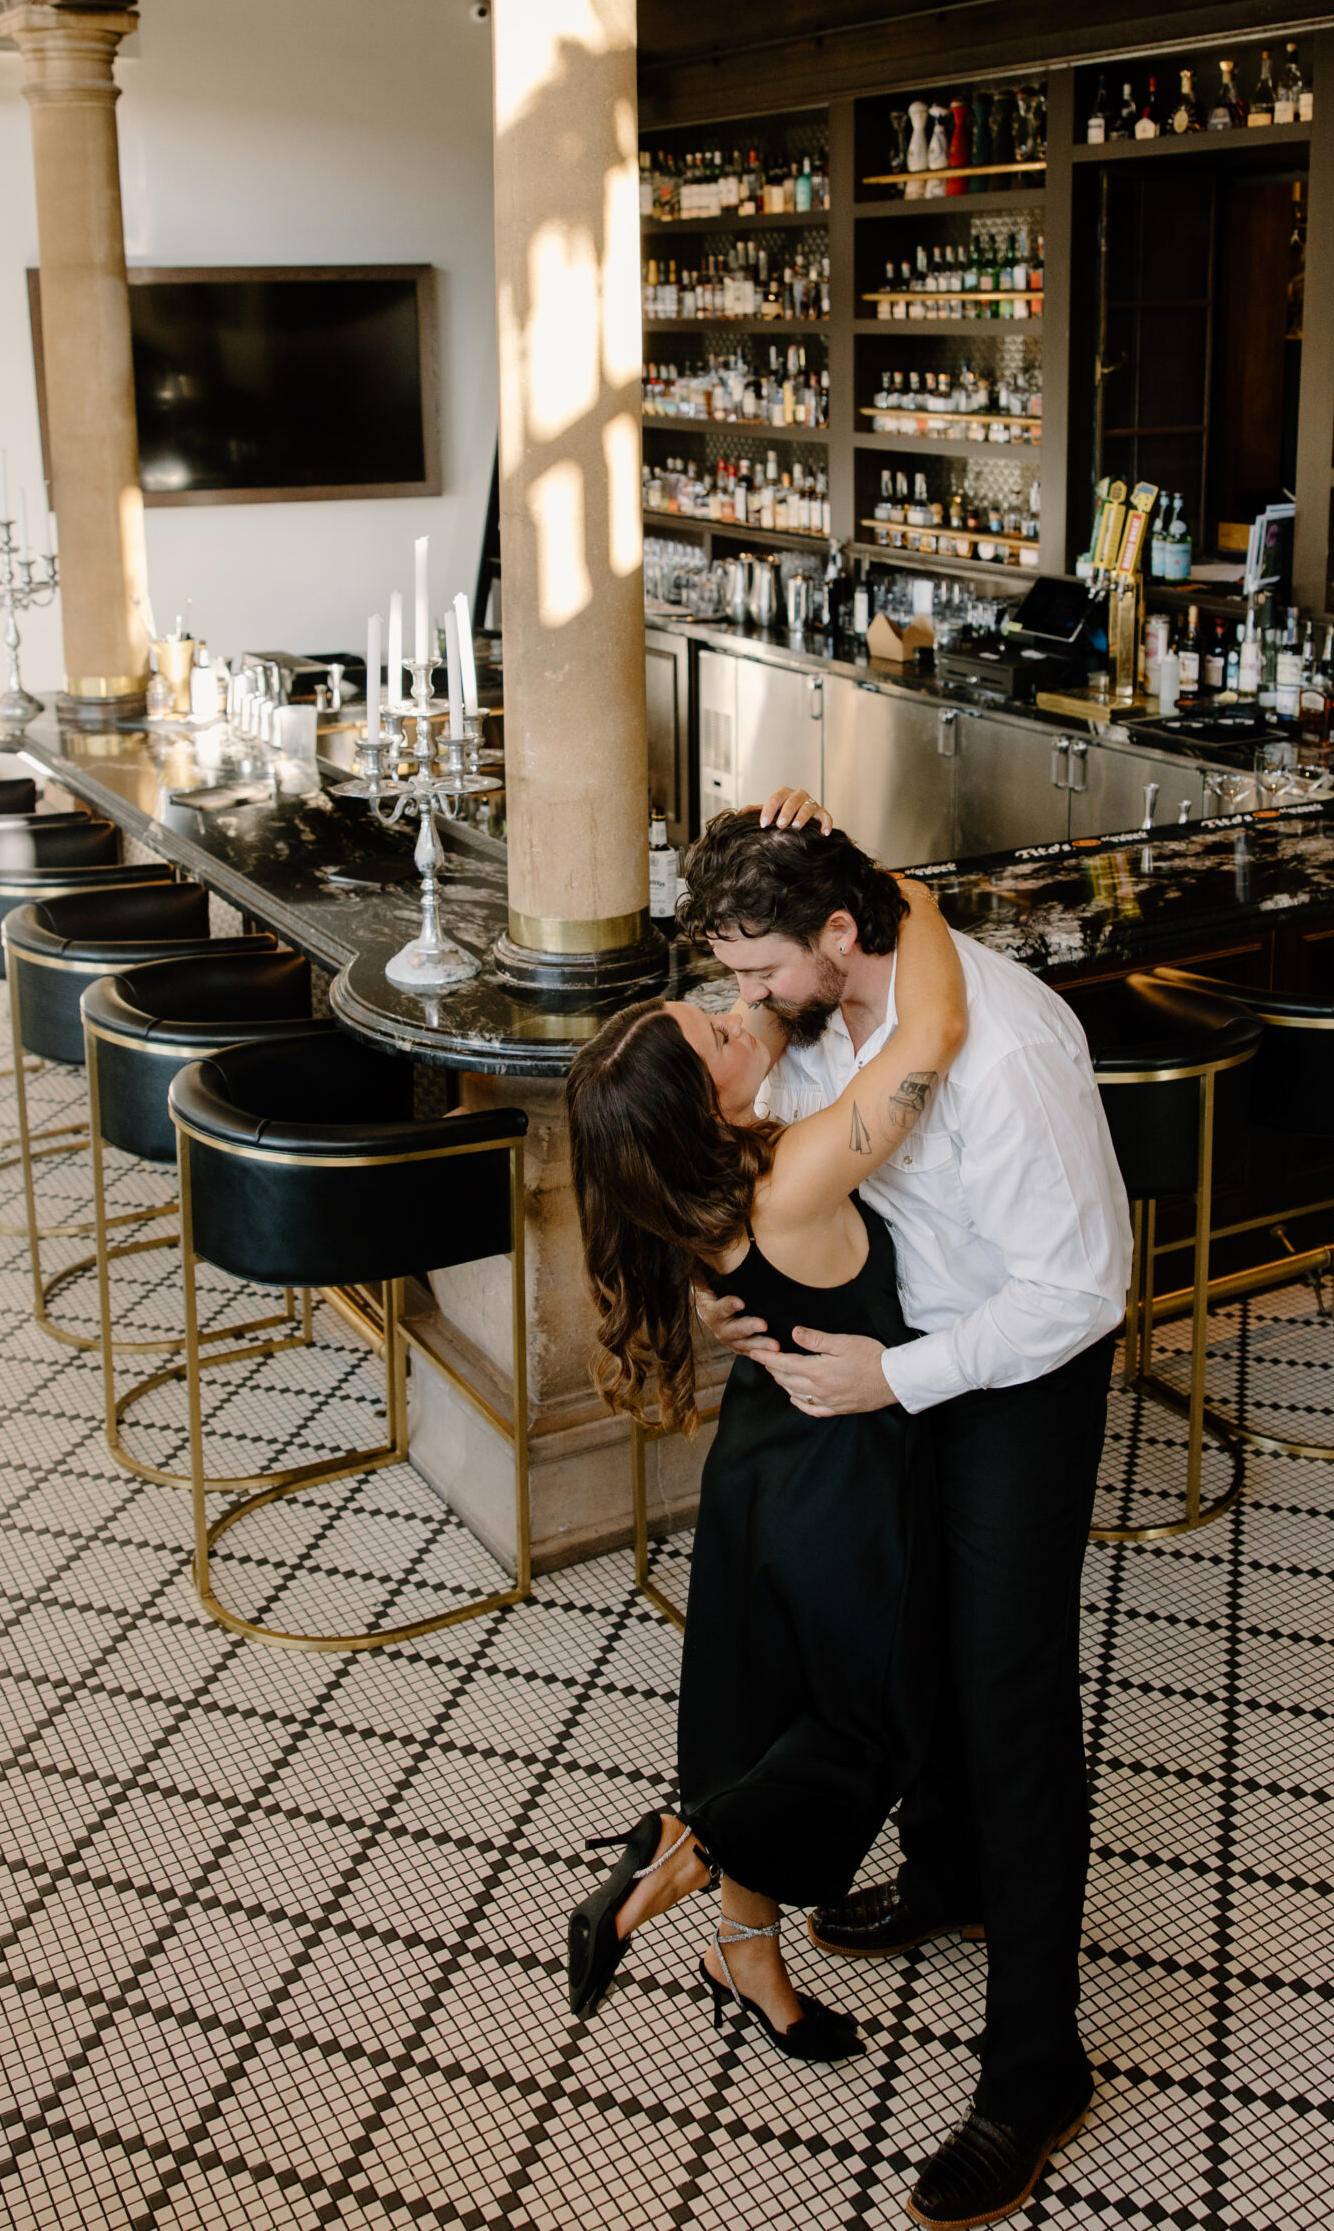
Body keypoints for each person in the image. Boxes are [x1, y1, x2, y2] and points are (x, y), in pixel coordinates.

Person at [683, 800, 1131, 2231]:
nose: (743, 1002)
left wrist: (901, 1375)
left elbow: (1076, 1295)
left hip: (1008, 1376)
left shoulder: (1000, 1056)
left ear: (835, 935)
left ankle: (1034, 2064)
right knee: (911, 1644)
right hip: (897, 1365)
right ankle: (943, 1872)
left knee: (1007, 1696)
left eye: (758, 971)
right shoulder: (834, 991)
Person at [563, 868, 966, 2067]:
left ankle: (746, 1949)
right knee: (867, 1722)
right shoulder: (793, 1181)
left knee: (754, 1710)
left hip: (757, 1469)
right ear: (709, 1104)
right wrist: (894, 890)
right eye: (717, 1030)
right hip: (842, 1481)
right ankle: (683, 1852)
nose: (740, 1015)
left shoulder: (693, 1199)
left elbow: (773, 1021)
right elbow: (934, 1029)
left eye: (721, 1001)